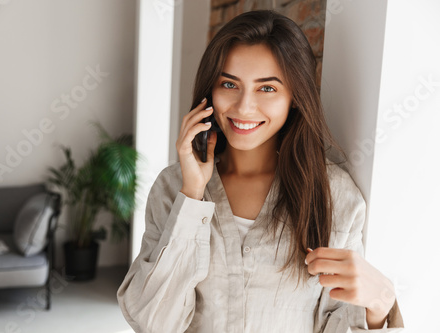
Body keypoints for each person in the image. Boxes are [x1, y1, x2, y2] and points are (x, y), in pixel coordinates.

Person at [117, 9, 404, 333]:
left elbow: (338, 321)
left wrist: (381, 304)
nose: (243, 107)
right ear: (210, 91)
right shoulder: (173, 188)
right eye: (229, 83)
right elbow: (153, 323)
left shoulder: (334, 197)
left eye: (267, 88)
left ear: (294, 97)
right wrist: (193, 195)